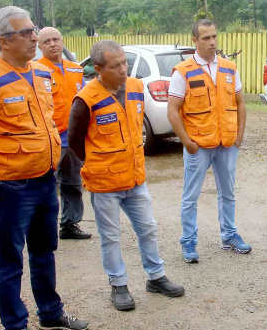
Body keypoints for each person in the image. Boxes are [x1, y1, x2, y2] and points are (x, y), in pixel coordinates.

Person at [0, 6, 89, 330]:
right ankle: (15, 328)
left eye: (34, 31)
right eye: (27, 32)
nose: (35, 37)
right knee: (11, 258)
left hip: (46, 180)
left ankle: (50, 314)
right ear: (4, 41)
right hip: (10, 187)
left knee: (45, 251)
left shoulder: (39, 73)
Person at [68, 40, 185, 310]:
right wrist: (97, 163)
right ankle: (118, 284)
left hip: (135, 178)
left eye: (125, 62)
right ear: (98, 69)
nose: (123, 69)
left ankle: (156, 277)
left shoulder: (135, 86)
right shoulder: (86, 99)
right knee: (111, 236)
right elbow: (74, 140)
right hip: (104, 182)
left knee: (148, 229)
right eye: (116, 65)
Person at [166, 19, 251, 263]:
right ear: (195, 40)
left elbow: (240, 102)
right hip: (198, 146)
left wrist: (239, 136)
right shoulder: (183, 71)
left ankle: (230, 235)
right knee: (190, 196)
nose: (212, 42)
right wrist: (188, 143)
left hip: (227, 143)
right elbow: (173, 110)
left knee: (228, 193)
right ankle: (189, 242)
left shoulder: (229, 67)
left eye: (214, 36)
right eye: (206, 38)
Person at [37, 26, 92, 240]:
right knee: (45, 184)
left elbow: (85, 98)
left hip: (72, 137)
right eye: (46, 41)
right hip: (48, 137)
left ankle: (69, 225)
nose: (52, 44)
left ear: (62, 41)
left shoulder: (76, 69)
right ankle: (43, 228)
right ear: (40, 46)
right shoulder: (35, 69)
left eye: (55, 39)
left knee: (72, 182)